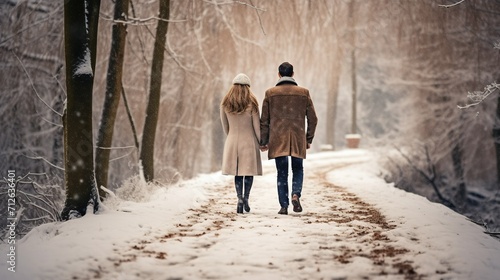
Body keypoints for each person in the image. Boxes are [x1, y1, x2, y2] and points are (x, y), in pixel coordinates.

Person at [260, 62, 318, 215]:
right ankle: (295, 194)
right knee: (298, 169)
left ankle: (284, 205)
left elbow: (264, 121)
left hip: (278, 139)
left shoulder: (270, 93)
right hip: (298, 138)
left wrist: (263, 141)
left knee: (282, 173)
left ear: (279, 75)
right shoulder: (303, 93)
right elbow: (313, 119)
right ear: (293, 74)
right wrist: (308, 139)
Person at [220, 73, 263, 214]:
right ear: (247, 88)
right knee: (248, 172)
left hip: (232, 141)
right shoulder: (252, 104)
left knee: (237, 172)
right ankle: (246, 198)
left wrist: (232, 135)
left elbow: (225, 126)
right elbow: (257, 127)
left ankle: (239, 198)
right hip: (249, 142)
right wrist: (261, 142)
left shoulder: (225, 103)